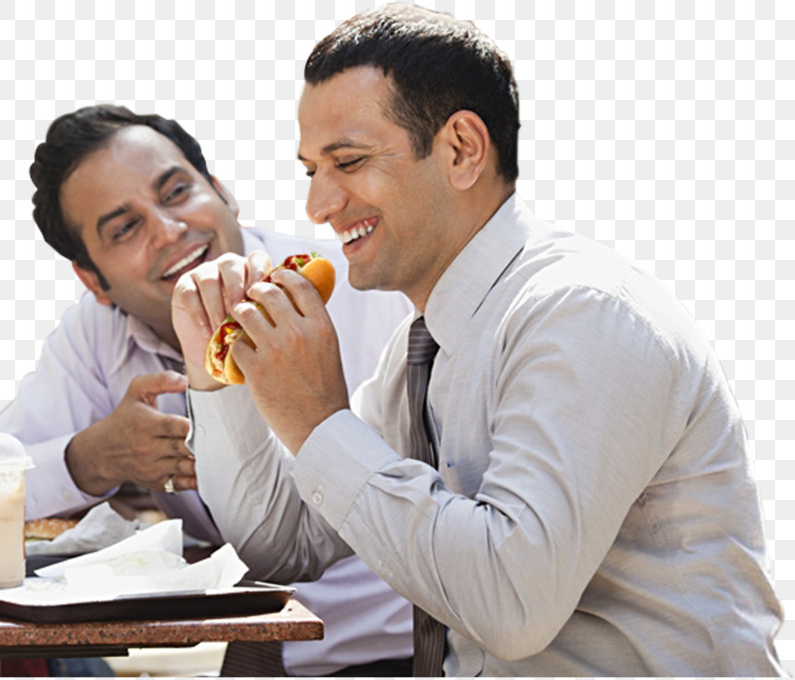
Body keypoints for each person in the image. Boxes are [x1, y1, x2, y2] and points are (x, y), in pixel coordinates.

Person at [171, 4, 786, 676]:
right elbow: (283, 545)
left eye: (347, 161)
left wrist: (320, 422)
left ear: (462, 149)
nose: (318, 205)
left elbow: (511, 606)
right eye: (311, 170)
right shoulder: (426, 344)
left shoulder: (581, 313)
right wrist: (218, 378)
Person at [0, 104, 415, 676]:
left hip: (390, 654)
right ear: (93, 280)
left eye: (176, 193)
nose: (169, 231)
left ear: (222, 191)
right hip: (228, 655)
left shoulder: (366, 287)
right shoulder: (96, 339)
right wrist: (96, 458)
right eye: (125, 228)